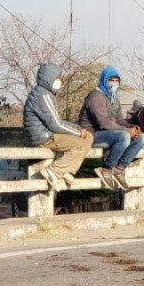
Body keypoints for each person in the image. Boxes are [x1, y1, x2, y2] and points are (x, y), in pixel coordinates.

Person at [22, 62, 93, 191]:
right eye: (58, 78)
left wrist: (78, 129)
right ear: (48, 77)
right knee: (81, 143)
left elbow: (57, 121)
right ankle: (53, 171)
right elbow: (55, 125)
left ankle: (67, 171)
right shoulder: (42, 95)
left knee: (88, 137)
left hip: (47, 134)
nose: (60, 81)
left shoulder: (44, 93)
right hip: (43, 137)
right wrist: (78, 133)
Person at [78, 66, 144, 189]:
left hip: (108, 133)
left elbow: (119, 120)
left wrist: (132, 127)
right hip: (91, 134)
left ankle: (119, 169)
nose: (114, 83)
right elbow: (104, 123)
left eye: (116, 81)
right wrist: (127, 131)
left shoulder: (114, 98)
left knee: (140, 138)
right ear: (104, 80)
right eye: (111, 80)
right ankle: (106, 168)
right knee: (123, 136)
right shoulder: (96, 97)